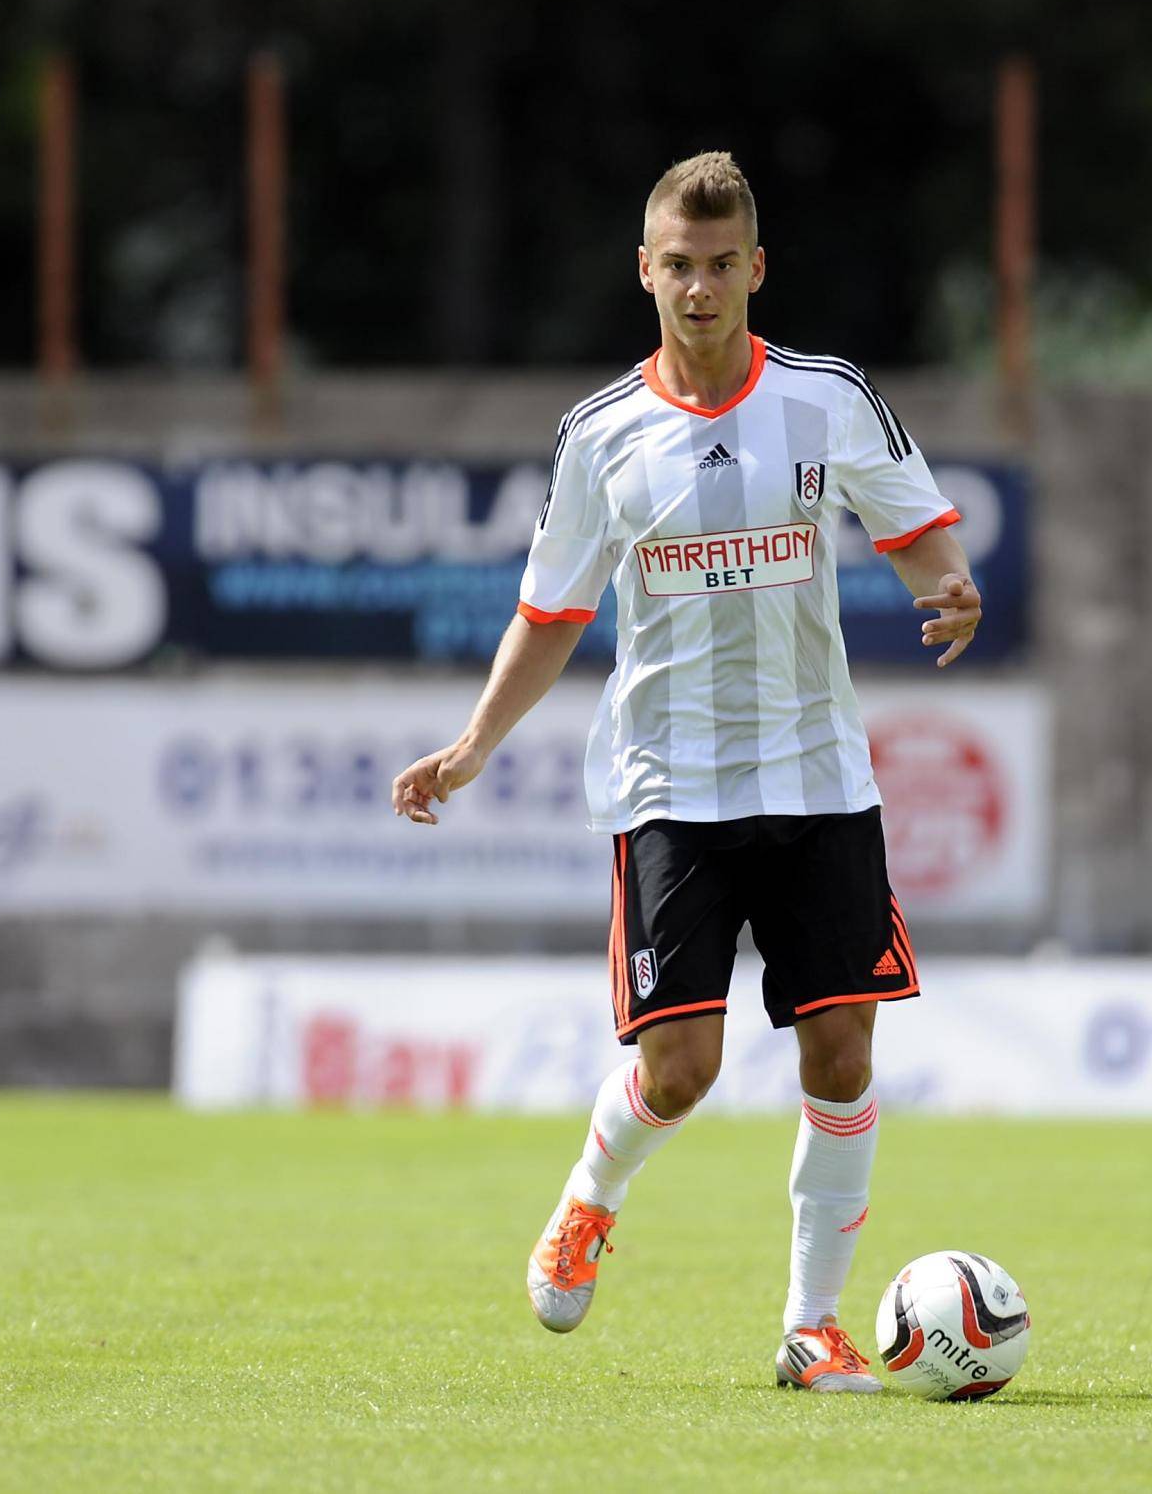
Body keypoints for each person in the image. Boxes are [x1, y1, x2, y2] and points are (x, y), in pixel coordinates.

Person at [391, 151, 981, 1393]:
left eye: (722, 265)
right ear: (645, 271)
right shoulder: (602, 435)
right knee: (681, 1069)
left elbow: (915, 528)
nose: (700, 286)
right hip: (672, 785)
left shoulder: (825, 398)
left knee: (842, 1053)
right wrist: (474, 744)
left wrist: (947, 593)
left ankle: (811, 1323)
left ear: (755, 269)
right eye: (678, 264)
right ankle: (590, 1194)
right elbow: (550, 610)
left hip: (820, 777)